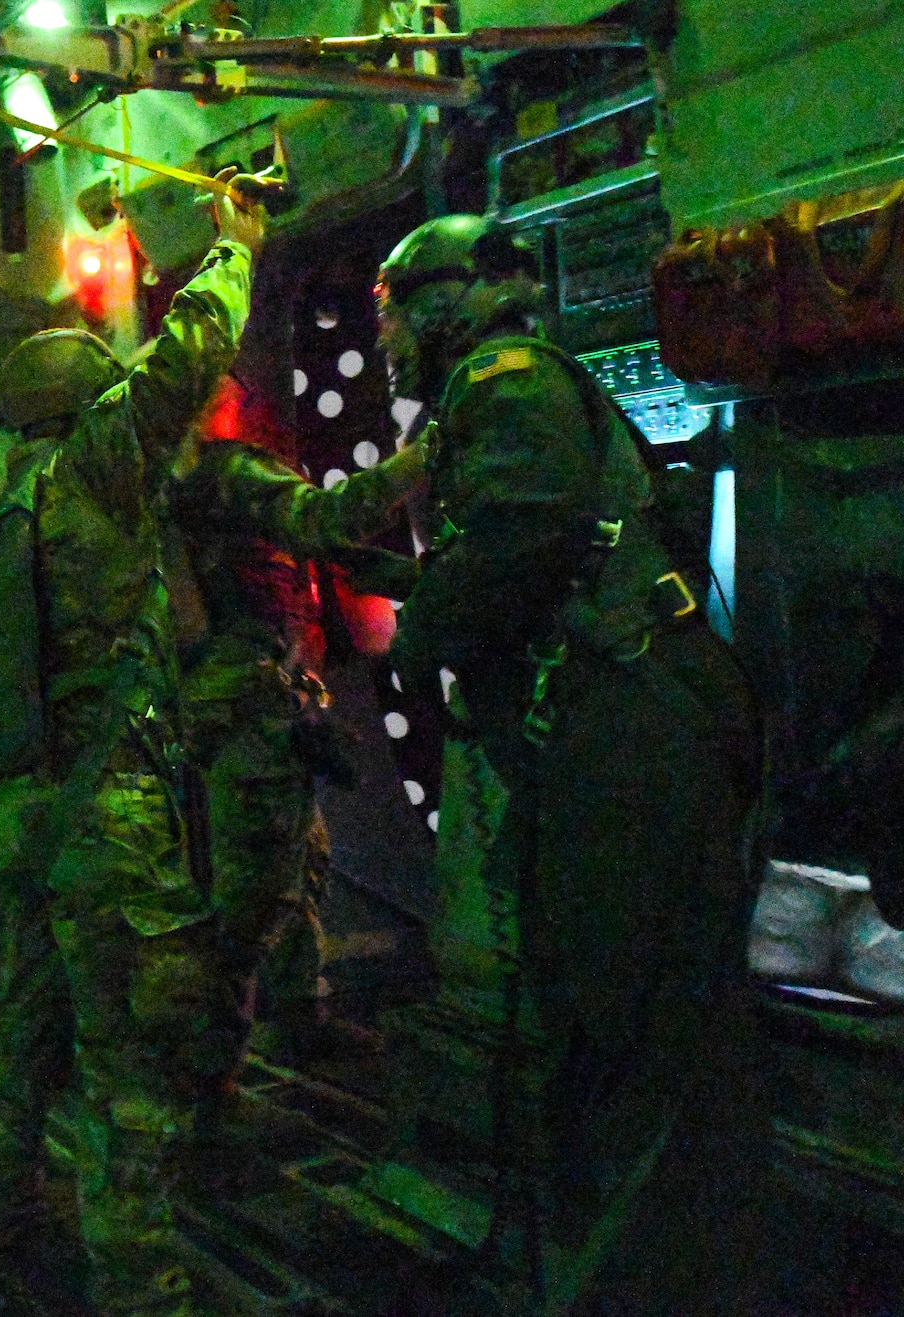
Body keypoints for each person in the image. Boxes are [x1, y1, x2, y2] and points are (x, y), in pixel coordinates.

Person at [377, 213, 768, 1313]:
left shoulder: (502, 380)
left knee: (641, 1041)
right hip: (626, 731)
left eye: (398, 310)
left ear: (451, 301)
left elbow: (522, 530)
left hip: (628, 737)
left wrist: (420, 638)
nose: (392, 337)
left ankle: (658, 1284)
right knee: (616, 1030)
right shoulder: (514, 389)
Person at [0, 166, 270, 1317]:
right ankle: (144, 1292)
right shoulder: (91, 480)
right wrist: (232, 242)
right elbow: (186, 359)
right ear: (85, 410)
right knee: (132, 1076)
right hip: (106, 821)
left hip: (24, 812)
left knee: (27, 1027)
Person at [167, 391, 425, 1066]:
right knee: (256, 891)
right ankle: (214, 1066)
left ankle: (293, 1016)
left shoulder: (181, 486)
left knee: (295, 860)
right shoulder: (228, 478)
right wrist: (424, 457)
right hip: (253, 704)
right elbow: (329, 521)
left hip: (255, 702)